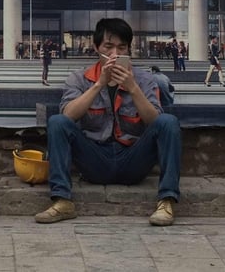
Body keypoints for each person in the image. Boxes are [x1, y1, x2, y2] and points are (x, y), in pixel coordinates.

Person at [35, 18, 181, 227]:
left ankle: (166, 201)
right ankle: (62, 201)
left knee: (169, 122)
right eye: (109, 47)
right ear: (96, 48)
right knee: (58, 122)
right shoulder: (79, 79)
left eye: (122, 48)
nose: (115, 54)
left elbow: (154, 121)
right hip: (94, 159)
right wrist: (99, 85)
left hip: (133, 159)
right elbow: (68, 115)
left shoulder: (144, 79)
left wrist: (132, 88)